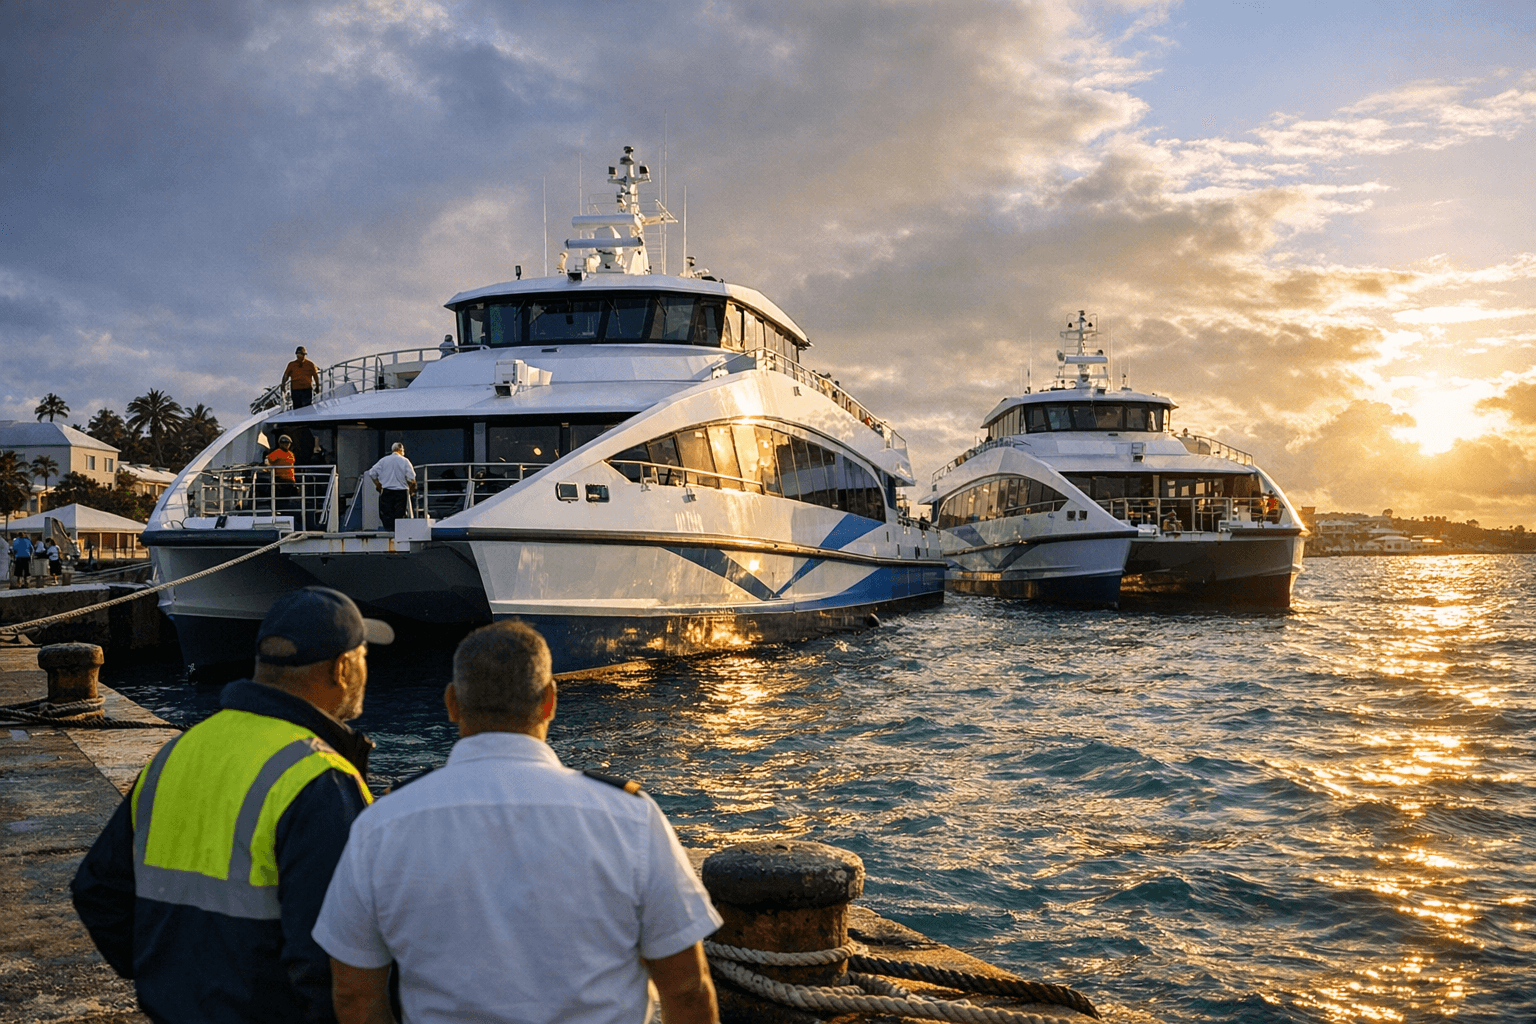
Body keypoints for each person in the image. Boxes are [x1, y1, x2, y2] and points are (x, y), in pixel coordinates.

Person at [313, 622, 722, 1024]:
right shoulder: (630, 817)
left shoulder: (384, 823)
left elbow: (353, 996)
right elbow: (686, 991)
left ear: (452, 703)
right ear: (550, 702)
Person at [71, 587, 394, 1024]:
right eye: (363, 656)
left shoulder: (178, 753)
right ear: (342, 668)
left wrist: (165, 979)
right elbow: (330, 961)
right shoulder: (319, 779)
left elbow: (98, 891)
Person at [366, 442, 415, 531]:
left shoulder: (384, 460)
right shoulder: (405, 461)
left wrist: (378, 484)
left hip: (387, 491)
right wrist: (412, 490)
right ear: (401, 450)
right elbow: (411, 478)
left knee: (387, 514)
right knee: (399, 515)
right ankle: (398, 532)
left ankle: (389, 531)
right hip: (401, 491)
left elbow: (372, 473)